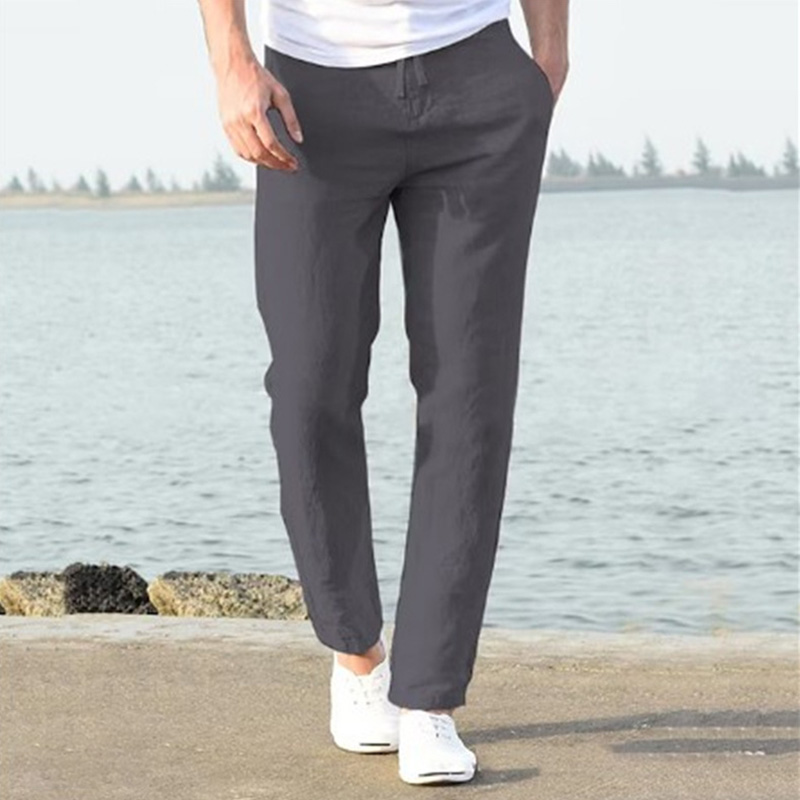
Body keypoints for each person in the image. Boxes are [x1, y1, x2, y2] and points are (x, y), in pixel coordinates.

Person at [197, 0, 569, 786]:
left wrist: (548, 52)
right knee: (308, 387)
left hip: (478, 80)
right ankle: (358, 655)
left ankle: (430, 701)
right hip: (310, 92)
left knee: (470, 396)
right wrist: (231, 59)